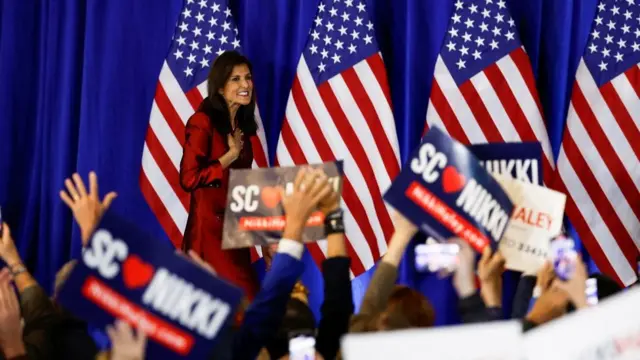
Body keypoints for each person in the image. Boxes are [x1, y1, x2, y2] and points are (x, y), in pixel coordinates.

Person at [179, 50, 260, 300]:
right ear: (220, 87)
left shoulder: (244, 127)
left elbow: (243, 188)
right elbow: (188, 178)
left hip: (237, 234)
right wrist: (228, 157)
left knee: (247, 308)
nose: (245, 84)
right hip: (210, 236)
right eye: (235, 79)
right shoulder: (202, 122)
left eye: (247, 77)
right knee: (239, 308)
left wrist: (264, 241)